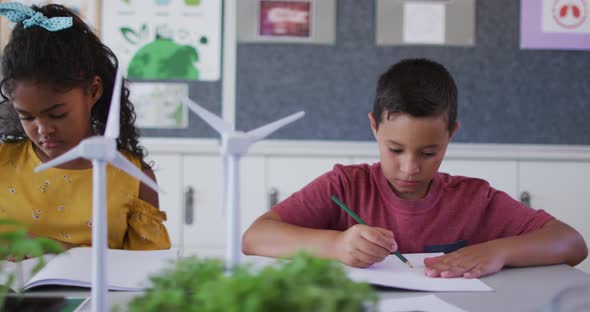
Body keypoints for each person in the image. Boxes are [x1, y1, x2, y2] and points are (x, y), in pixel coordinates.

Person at [242, 58, 588, 278]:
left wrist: (497, 251)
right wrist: (336, 246)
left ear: (451, 134)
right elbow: (254, 237)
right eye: (395, 149)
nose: (410, 167)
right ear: (374, 128)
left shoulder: (473, 197)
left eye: (428, 153)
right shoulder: (345, 185)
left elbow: (571, 243)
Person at [0, 3, 170, 252]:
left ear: (93, 90)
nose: (43, 129)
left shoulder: (134, 179)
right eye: (26, 117)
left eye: (57, 114)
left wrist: (59, 251)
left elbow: (149, 277)